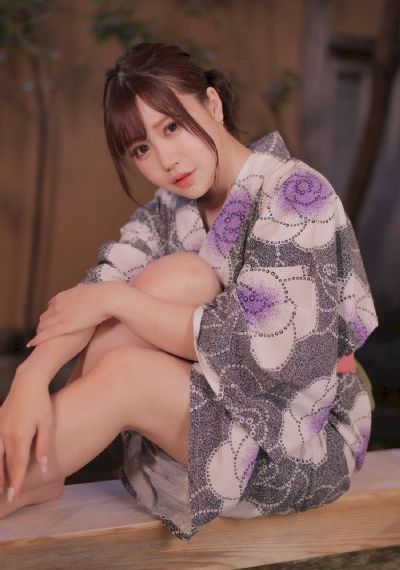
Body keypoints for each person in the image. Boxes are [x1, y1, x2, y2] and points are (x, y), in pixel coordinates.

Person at [0, 42, 378, 540]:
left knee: (129, 357)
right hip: (211, 422)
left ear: (212, 104)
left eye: (171, 127)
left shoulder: (296, 193)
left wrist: (119, 300)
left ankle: (29, 470)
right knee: (175, 277)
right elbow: (96, 290)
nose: (165, 159)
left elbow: (259, 350)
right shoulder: (169, 210)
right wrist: (30, 378)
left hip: (298, 438)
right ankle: (40, 468)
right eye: (141, 149)